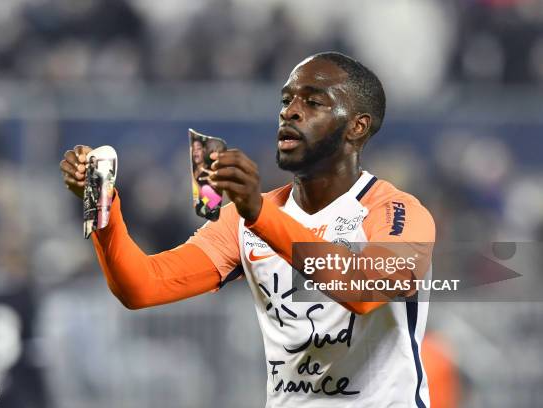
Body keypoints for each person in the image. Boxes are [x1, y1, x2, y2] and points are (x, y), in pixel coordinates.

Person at [60, 51, 435, 407]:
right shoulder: (242, 218)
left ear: (357, 126)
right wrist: (104, 209)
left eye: (313, 103)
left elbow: (364, 292)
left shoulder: (396, 212)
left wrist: (257, 212)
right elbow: (141, 286)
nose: (290, 112)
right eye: (286, 100)